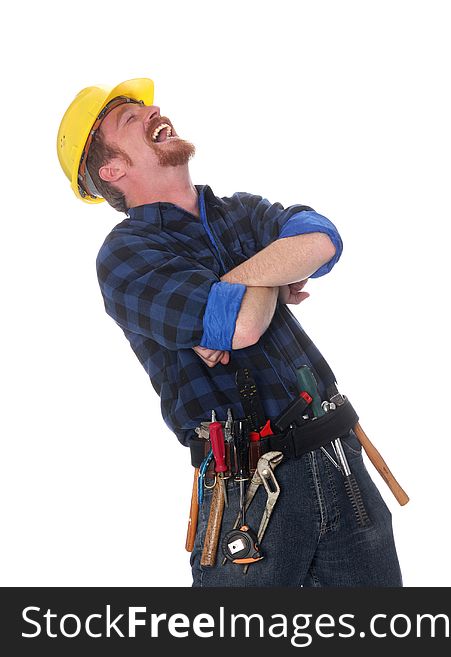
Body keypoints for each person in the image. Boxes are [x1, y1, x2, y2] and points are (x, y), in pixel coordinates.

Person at [56, 78, 402, 587]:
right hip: (243, 491)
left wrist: (234, 284)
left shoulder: (238, 210)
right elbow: (242, 325)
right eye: (130, 119)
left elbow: (323, 239)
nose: (152, 109)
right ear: (113, 169)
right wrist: (273, 273)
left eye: (145, 105)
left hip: (339, 459)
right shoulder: (125, 257)